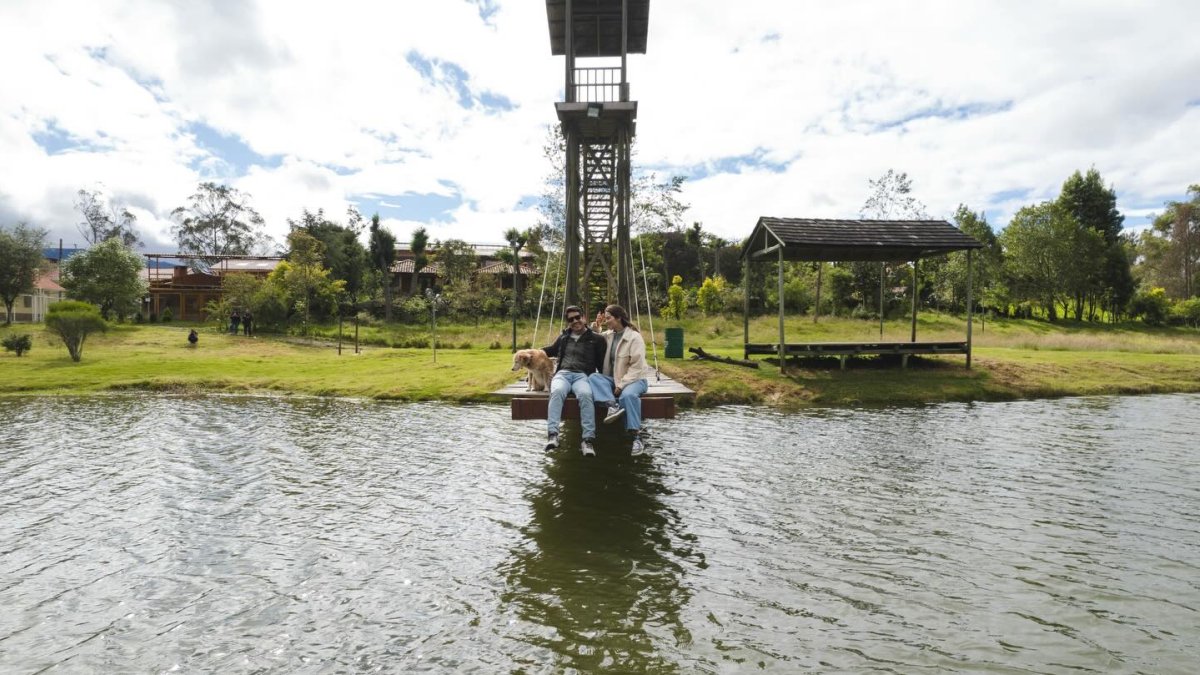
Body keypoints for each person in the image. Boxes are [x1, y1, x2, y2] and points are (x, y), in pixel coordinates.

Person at [589, 304, 656, 455]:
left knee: (628, 396)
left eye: (608, 318)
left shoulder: (634, 337)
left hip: (635, 380)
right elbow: (594, 336)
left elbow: (637, 367)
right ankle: (611, 405)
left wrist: (621, 386)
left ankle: (637, 438)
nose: (606, 321)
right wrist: (596, 325)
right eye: (605, 319)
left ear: (618, 318)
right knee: (594, 377)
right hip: (615, 379)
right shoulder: (610, 335)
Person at [541, 305, 607, 456]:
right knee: (556, 391)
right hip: (563, 374)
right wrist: (532, 353)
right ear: (568, 322)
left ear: (583, 318)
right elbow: (550, 350)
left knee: (585, 395)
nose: (575, 321)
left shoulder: (596, 339)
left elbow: (602, 363)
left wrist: (608, 383)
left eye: (578, 317)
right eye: (571, 319)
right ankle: (553, 435)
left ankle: (588, 440)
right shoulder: (564, 337)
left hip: (582, 375)